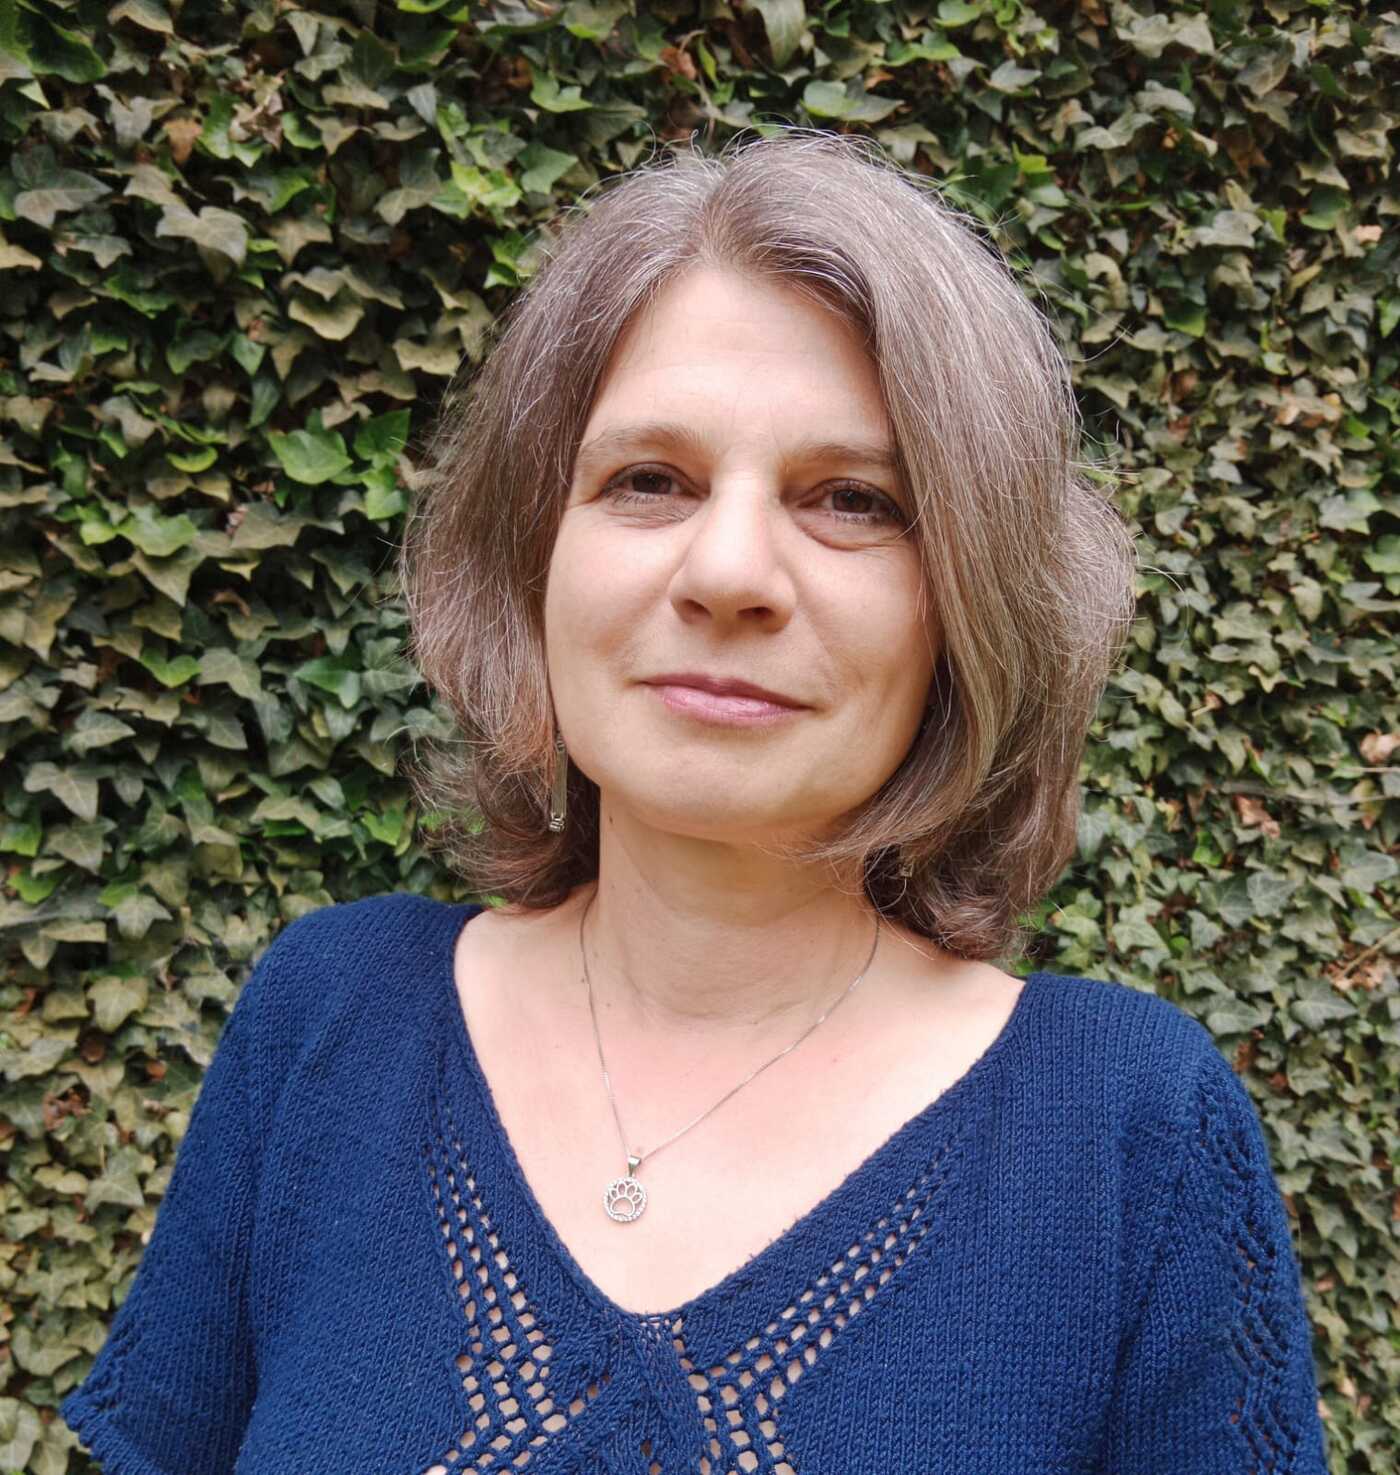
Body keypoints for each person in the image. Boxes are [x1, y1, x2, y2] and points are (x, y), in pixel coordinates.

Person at [61, 127, 1330, 1474]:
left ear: (971, 605)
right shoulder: (327, 1021)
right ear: (533, 555)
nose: (728, 573)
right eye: (648, 481)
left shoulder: (1132, 1136)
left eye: (853, 500)